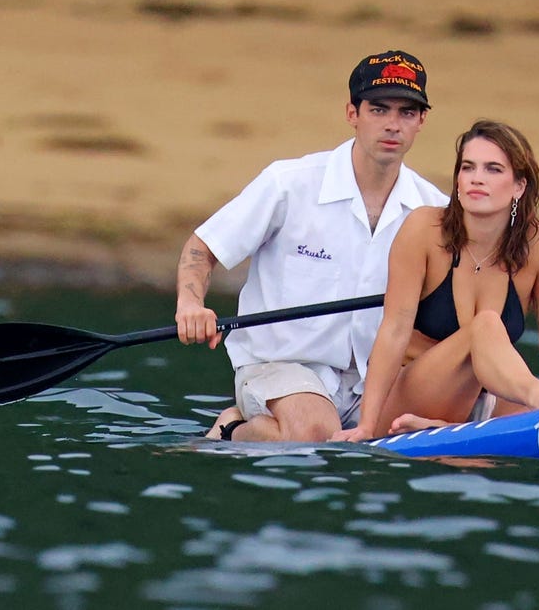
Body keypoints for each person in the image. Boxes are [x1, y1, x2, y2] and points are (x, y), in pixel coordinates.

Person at [175, 49, 449, 442]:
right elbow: (203, 247)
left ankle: (244, 425)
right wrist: (190, 304)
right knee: (317, 432)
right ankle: (237, 431)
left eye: (407, 112)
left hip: (375, 382)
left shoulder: (435, 209)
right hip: (277, 368)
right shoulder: (289, 182)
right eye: (379, 109)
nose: (392, 125)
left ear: (422, 121)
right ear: (352, 114)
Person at [331, 120, 539, 442]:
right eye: (468, 168)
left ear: (519, 186)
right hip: (408, 398)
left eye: (493, 169)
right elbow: (393, 332)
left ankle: (444, 428)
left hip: (487, 400)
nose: (477, 178)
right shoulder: (423, 230)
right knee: (486, 326)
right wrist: (367, 426)